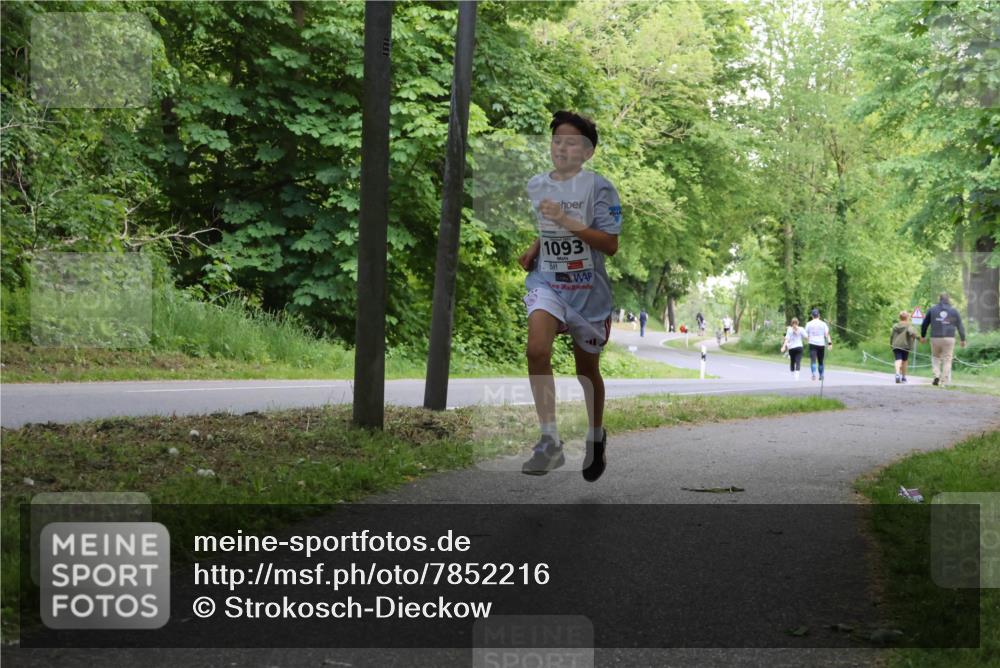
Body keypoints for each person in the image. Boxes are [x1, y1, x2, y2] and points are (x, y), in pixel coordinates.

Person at [517, 110, 621, 481]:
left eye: (571, 142)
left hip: (588, 295)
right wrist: (537, 246)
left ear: (588, 152)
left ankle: (596, 437)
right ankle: (549, 440)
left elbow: (609, 244)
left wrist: (566, 221)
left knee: (586, 370)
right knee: (536, 350)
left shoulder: (602, 189)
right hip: (549, 283)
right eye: (557, 140)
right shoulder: (539, 185)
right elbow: (551, 227)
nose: (562, 147)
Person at [919, 292, 967, 387]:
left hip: (935, 337)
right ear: (948, 300)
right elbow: (960, 326)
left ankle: (936, 375)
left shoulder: (932, 309)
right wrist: (963, 339)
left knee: (935, 358)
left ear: (939, 299)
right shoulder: (954, 311)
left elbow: (924, 324)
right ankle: (944, 381)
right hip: (949, 338)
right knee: (947, 360)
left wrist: (923, 336)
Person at [890, 310, 918, 384]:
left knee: (898, 359)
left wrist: (891, 344)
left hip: (896, 345)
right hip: (905, 345)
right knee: (904, 361)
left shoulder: (895, 326)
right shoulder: (909, 326)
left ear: (900, 318)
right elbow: (912, 333)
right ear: (907, 318)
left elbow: (892, 336)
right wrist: (917, 337)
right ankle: (903, 378)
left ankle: (897, 373)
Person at [805, 308, 832, 381]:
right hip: (821, 344)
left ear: (812, 316)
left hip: (812, 344)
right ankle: (821, 375)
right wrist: (830, 343)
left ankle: (814, 374)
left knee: (813, 360)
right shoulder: (823, 324)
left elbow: (806, 335)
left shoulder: (808, 324)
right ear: (819, 315)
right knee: (820, 361)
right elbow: (827, 335)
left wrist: (807, 339)